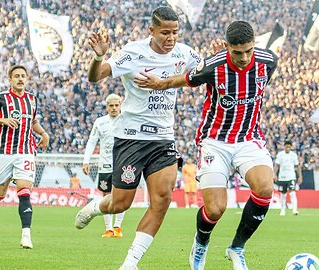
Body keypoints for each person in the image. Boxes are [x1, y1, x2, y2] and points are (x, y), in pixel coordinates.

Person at [135, 20, 278, 270]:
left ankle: (236, 248)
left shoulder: (269, 61)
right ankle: (200, 244)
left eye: (248, 51)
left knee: (265, 188)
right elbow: (185, 79)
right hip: (214, 142)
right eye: (237, 52)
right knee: (215, 209)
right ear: (227, 47)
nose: (244, 58)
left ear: (254, 45)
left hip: (248, 138)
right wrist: (159, 83)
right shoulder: (213, 65)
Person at [75, 6, 201, 270]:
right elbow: (95, 77)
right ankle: (96, 207)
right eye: (165, 32)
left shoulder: (185, 53)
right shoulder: (133, 52)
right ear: (151, 30)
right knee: (120, 203)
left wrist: (217, 58)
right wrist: (99, 57)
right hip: (131, 138)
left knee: (163, 199)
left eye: (175, 32)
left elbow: (201, 74)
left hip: (163, 140)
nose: (171, 38)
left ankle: (130, 263)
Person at [0, 64, 49, 249]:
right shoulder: (1, 98)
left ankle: (26, 235)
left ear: (27, 79)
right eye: (16, 76)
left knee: (24, 192)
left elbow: (32, 121)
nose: (20, 79)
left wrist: (43, 133)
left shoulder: (32, 99)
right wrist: (2, 120)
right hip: (4, 152)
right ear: (10, 79)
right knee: (0, 192)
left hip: (25, 152)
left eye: (23, 76)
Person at [82, 93, 125, 238]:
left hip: (123, 164)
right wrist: (86, 161)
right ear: (106, 107)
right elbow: (92, 141)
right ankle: (109, 229)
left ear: (120, 105)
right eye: (111, 106)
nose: (114, 108)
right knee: (106, 195)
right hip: (105, 165)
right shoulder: (100, 122)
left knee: (121, 195)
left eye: (116, 105)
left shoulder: (127, 119)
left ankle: (118, 227)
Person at [274, 140, 302, 216]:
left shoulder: (293, 155)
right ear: (284, 146)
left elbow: (297, 166)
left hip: (291, 177)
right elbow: (277, 165)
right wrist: (274, 174)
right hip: (282, 177)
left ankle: (295, 210)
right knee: (283, 194)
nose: (288, 148)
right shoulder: (280, 155)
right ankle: (282, 210)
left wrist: (300, 176)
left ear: (291, 147)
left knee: (292, 193)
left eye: (289, 147)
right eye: (286, 147)